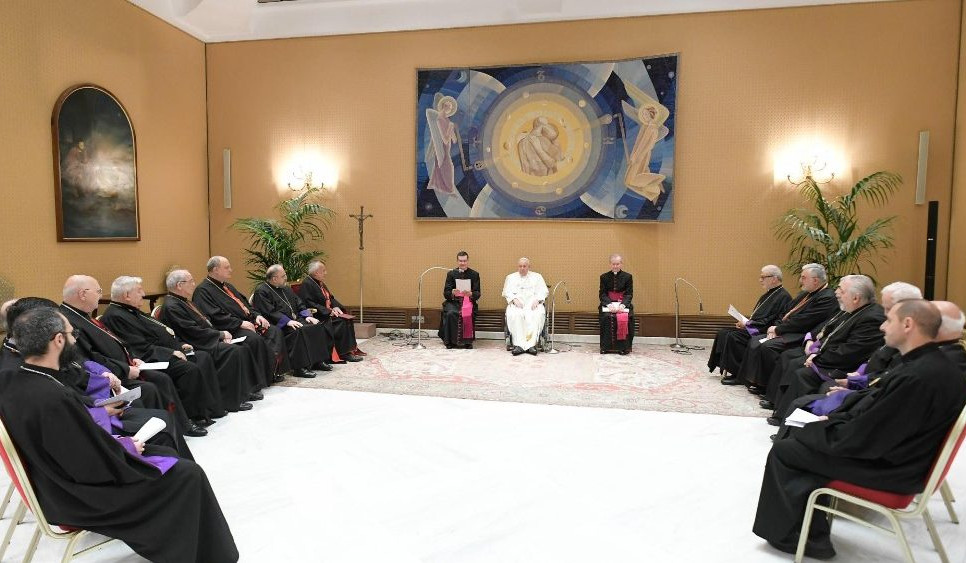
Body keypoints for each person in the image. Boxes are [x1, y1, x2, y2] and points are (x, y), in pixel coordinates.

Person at [0, 307, 238, 563]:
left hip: (56, 481)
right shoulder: (50, 397)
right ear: (58, 340)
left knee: (167, 453)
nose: (74, 341)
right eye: (71, 335)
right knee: (188, 475)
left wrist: (117, 445)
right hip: (76, 496)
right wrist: (125, 448)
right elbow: (87, 465)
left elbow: (73, 446)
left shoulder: (16, 379)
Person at [752, 299, 966, 559]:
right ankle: (809, 528)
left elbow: (866, 439)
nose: (883, 327)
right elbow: (881, 419)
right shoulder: (933, 364)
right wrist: (836, 422)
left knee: (787, 449)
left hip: (894, 469)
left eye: (889, 320)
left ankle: (800, 539)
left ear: (908, 324)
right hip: (904, 457)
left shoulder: (918, 375)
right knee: (804, 438)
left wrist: (822, 427)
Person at [1, 297, 192, 459]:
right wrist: (102, 413)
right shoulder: (18, 373)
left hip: (89, 415)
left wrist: (104, 383)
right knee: (174, 451)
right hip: (89, 444)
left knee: (160, 415)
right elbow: (62, 432)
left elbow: (79, 369)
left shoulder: (37, 354)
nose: (73, 339)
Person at [60, 275, 208, 438]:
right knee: (154, 385)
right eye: (98, 291)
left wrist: (131, 357)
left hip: (126, 366)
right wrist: (125, 368)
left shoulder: (81, 316)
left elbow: (119, 343)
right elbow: (90, 357)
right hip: (109, 376)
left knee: (162, 379)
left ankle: (178, 426)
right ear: (83, 294)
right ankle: (170, 430)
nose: (100, 296)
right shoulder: (69, 321)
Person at [101, 276, 257, 415]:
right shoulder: (116, 316)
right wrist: (170, 352)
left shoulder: (131, 311)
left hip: (173, 348)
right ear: (127, 295)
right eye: (139, 290)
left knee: (203, 357)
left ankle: (213, 407)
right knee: (190, 368)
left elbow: (161, 333)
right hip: (150, 358)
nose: (143, 294)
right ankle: (195, 415)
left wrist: (180, 345)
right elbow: (139, 346)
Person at [763, 275, 885, 423]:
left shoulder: (871, 318)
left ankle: (789, 420)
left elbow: (850, 351)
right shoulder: (852, 309)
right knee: (793, 361)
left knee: (802, 373)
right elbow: (827, 328)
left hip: (845, 366)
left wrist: (817, 358)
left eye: (841, 290)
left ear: (856, 298)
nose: (836, 292)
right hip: (829, 356)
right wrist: (812, 344)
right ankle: (781, 411)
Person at [725, 263, 838, 392]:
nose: (800, 281)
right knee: (755, 341)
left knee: (768, 346)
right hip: (787, 329)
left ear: (815, 280)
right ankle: (749, 379)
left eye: (803, 277)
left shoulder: (827, 297)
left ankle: (765, 386)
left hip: (800, 334)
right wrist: (776, 327)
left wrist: (778, 330)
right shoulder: (805, 293)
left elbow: (804, 321)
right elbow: (785, 312)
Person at [160, 269, 273, 394]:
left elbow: (205, 321)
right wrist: (219, 334)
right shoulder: (172, 306)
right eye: (190, 281)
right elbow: (191, 331)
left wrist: (219, 333)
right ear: (179, 285)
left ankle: (247, 390)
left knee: (242, 347)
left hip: (205, 337)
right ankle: (234, 395)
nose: (194, 284)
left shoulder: (183, 301)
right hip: (196, 342)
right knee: (234, 351)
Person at [192, 256, 293, 379]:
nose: (231, 270)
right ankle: (259, 378)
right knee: (254, 339)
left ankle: (274, 371)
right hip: (230, 328)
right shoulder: (202, 291)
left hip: (247, 321)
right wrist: (240, 323)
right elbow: (215, 315)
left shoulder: (228, 286)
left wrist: (257, 315)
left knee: (274, 331)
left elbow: (245, 304)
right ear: (215, 270)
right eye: (227, 267)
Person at [708, 265, 791, 375]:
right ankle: (725, 366)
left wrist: (749, 324)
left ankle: (738, 373)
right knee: (723, 333)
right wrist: (746, 322)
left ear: (774, 279)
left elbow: (772, 320)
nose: (760, 280)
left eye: (763, 277)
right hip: (755, 326)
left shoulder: (784, 297)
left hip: (763, 330)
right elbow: (759, 316)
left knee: (733, 336)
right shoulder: (768, 294)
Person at [252, 264, 332, 377]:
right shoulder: (262, 291)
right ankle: (299, 368)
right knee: (299, 331)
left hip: (295, 319)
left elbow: (299, 303)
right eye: (283, 276)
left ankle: (317, 361)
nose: (286, 278)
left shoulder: (286, 288)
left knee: (316, 325)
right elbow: (269, 312)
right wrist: (287, 321)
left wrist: (307, 316)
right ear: (274, 279)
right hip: (278, 323)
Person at [298, 261, 364, 362]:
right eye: (323, 271)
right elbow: (309, 303)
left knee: (347, 319)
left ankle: (350, 350)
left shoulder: (320, 283)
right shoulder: (307, 284)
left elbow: (330, 297)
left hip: (326, 312)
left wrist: (336, 306)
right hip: (318, 315)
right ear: (316, 272)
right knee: (341, 322)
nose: (326, 273)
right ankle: (343, 353)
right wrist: (328, 311)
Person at [502, 257, 548, 356]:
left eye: (524, 266)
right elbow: (506, 292)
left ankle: (531, 345)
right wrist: (514, 299)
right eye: (520, 266)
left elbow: (544, 291)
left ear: (529, 267)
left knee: (536, 315)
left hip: (533, 305)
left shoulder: (537, 277)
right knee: (516, 315)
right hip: (517, 305)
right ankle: (518, 345)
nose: (522, 268)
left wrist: (538, 299)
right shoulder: (510, 277)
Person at [439, 251, 481, 349]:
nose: (462, 263)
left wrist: (471, 294)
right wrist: (452, 292)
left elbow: (478, 293)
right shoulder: (451, 274)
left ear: (468, 261)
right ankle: (450, 341)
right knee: (451, 313)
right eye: (460, 261)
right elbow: (446, 293)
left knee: (467, 313)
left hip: (468, 302)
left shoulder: (474, 274)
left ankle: (467, 342)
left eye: (464, 261)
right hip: (454, 301)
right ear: (457, 261)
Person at [599, 254, 635, 355]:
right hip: (608, 304)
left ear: (621, 264)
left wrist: (623, 305)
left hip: (623, 304)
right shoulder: (604, 277)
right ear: (610, 264)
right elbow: (602, 293)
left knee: (626, 318)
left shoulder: (628, 277)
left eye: (617, 264)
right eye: (613, 264)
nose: (615, 266)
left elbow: (629, 293)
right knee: (606, 317)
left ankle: (623, 348)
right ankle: (605, 347)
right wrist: (609, 304)